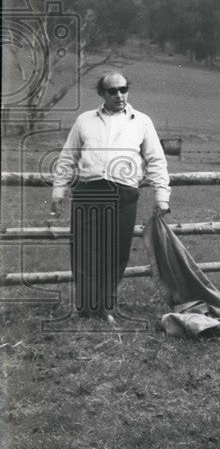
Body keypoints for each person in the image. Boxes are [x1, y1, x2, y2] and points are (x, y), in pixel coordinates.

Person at [50, 71, 170, 323]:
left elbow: (156, 160)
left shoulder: (141, 122)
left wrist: (162, 196)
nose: (119, 95)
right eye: (113, 91)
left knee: (116, 252)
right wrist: (59, 189)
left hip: (123, 193)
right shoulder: (85, 120)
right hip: (89, 191)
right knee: (84, 250)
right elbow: (67, 157)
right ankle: (85, 307)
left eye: (123, 89)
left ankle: (104, 306)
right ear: (102, 94)